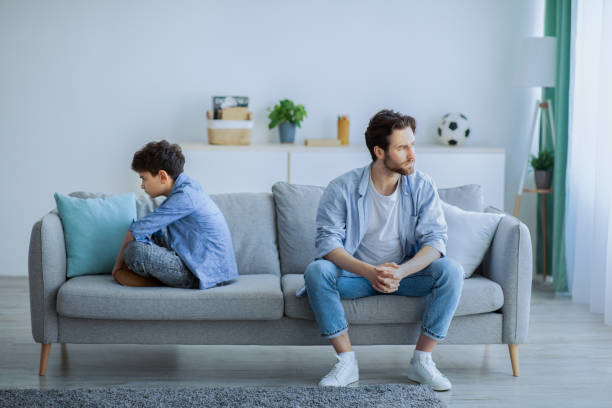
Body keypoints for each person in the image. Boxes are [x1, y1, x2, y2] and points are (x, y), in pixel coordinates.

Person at [302, 110, 464, 391]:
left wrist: (401, 271)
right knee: (317, 271)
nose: (412, 154)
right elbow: (328, 245)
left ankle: (422, 361)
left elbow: (436, 241)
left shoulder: (423, 185)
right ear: (379, 151)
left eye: (412, 145)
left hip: (407, 276)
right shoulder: (342, 188)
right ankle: (346, 362)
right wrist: (370, 272)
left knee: (451, 270)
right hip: (358, 277)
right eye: (402, 148)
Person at [111, 140, 238, 289]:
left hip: (202, 273)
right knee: (151, 238)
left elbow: (135, 230)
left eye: (144, 178)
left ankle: (154, 281)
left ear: (163, 176)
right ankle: (153, 277)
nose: (142, 185)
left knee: (134, 250)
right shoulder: (186, 188)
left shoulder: (185, 196)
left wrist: (116, 269)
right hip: (195, 258)